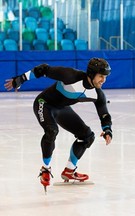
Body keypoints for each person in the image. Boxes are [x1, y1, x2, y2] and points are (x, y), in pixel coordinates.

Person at [4, 58, 113, 190]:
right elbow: (43, 69)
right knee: (51, 131)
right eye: (101, 76)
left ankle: (69, 171)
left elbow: (104, 114)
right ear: (91, 73)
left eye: (105, 77)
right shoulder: (71, 75)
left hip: (62, 109)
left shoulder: (97, 94)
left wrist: (107, 129)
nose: (103, 80)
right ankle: (45, 168)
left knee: (87, 136)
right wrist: (20, 79)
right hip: (44, 103)